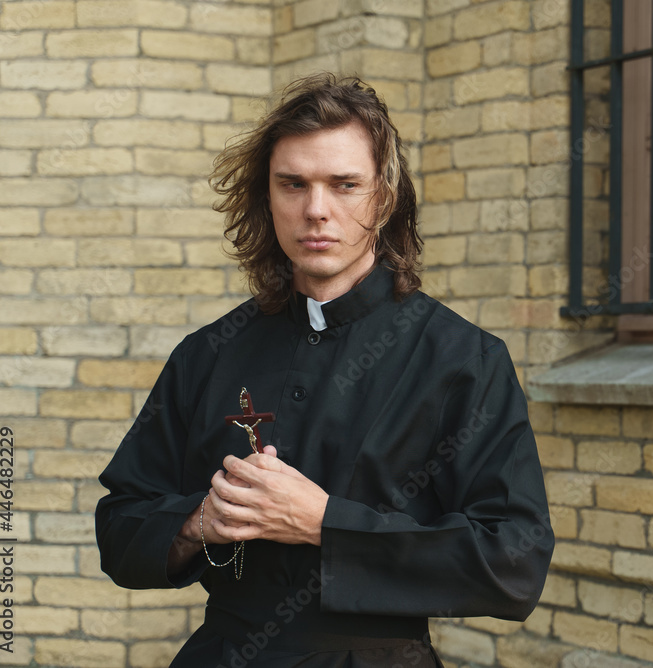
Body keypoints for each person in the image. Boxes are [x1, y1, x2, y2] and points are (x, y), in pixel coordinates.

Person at [95, 73, 553, 667]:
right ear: (268, 197)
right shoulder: (207, 353)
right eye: (293, 184)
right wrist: (196, 522)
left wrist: (325, 524)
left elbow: (513, 559)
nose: (316, 210)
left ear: (382, 199)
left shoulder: (463, 361)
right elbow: (120, 523)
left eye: (344, 185)